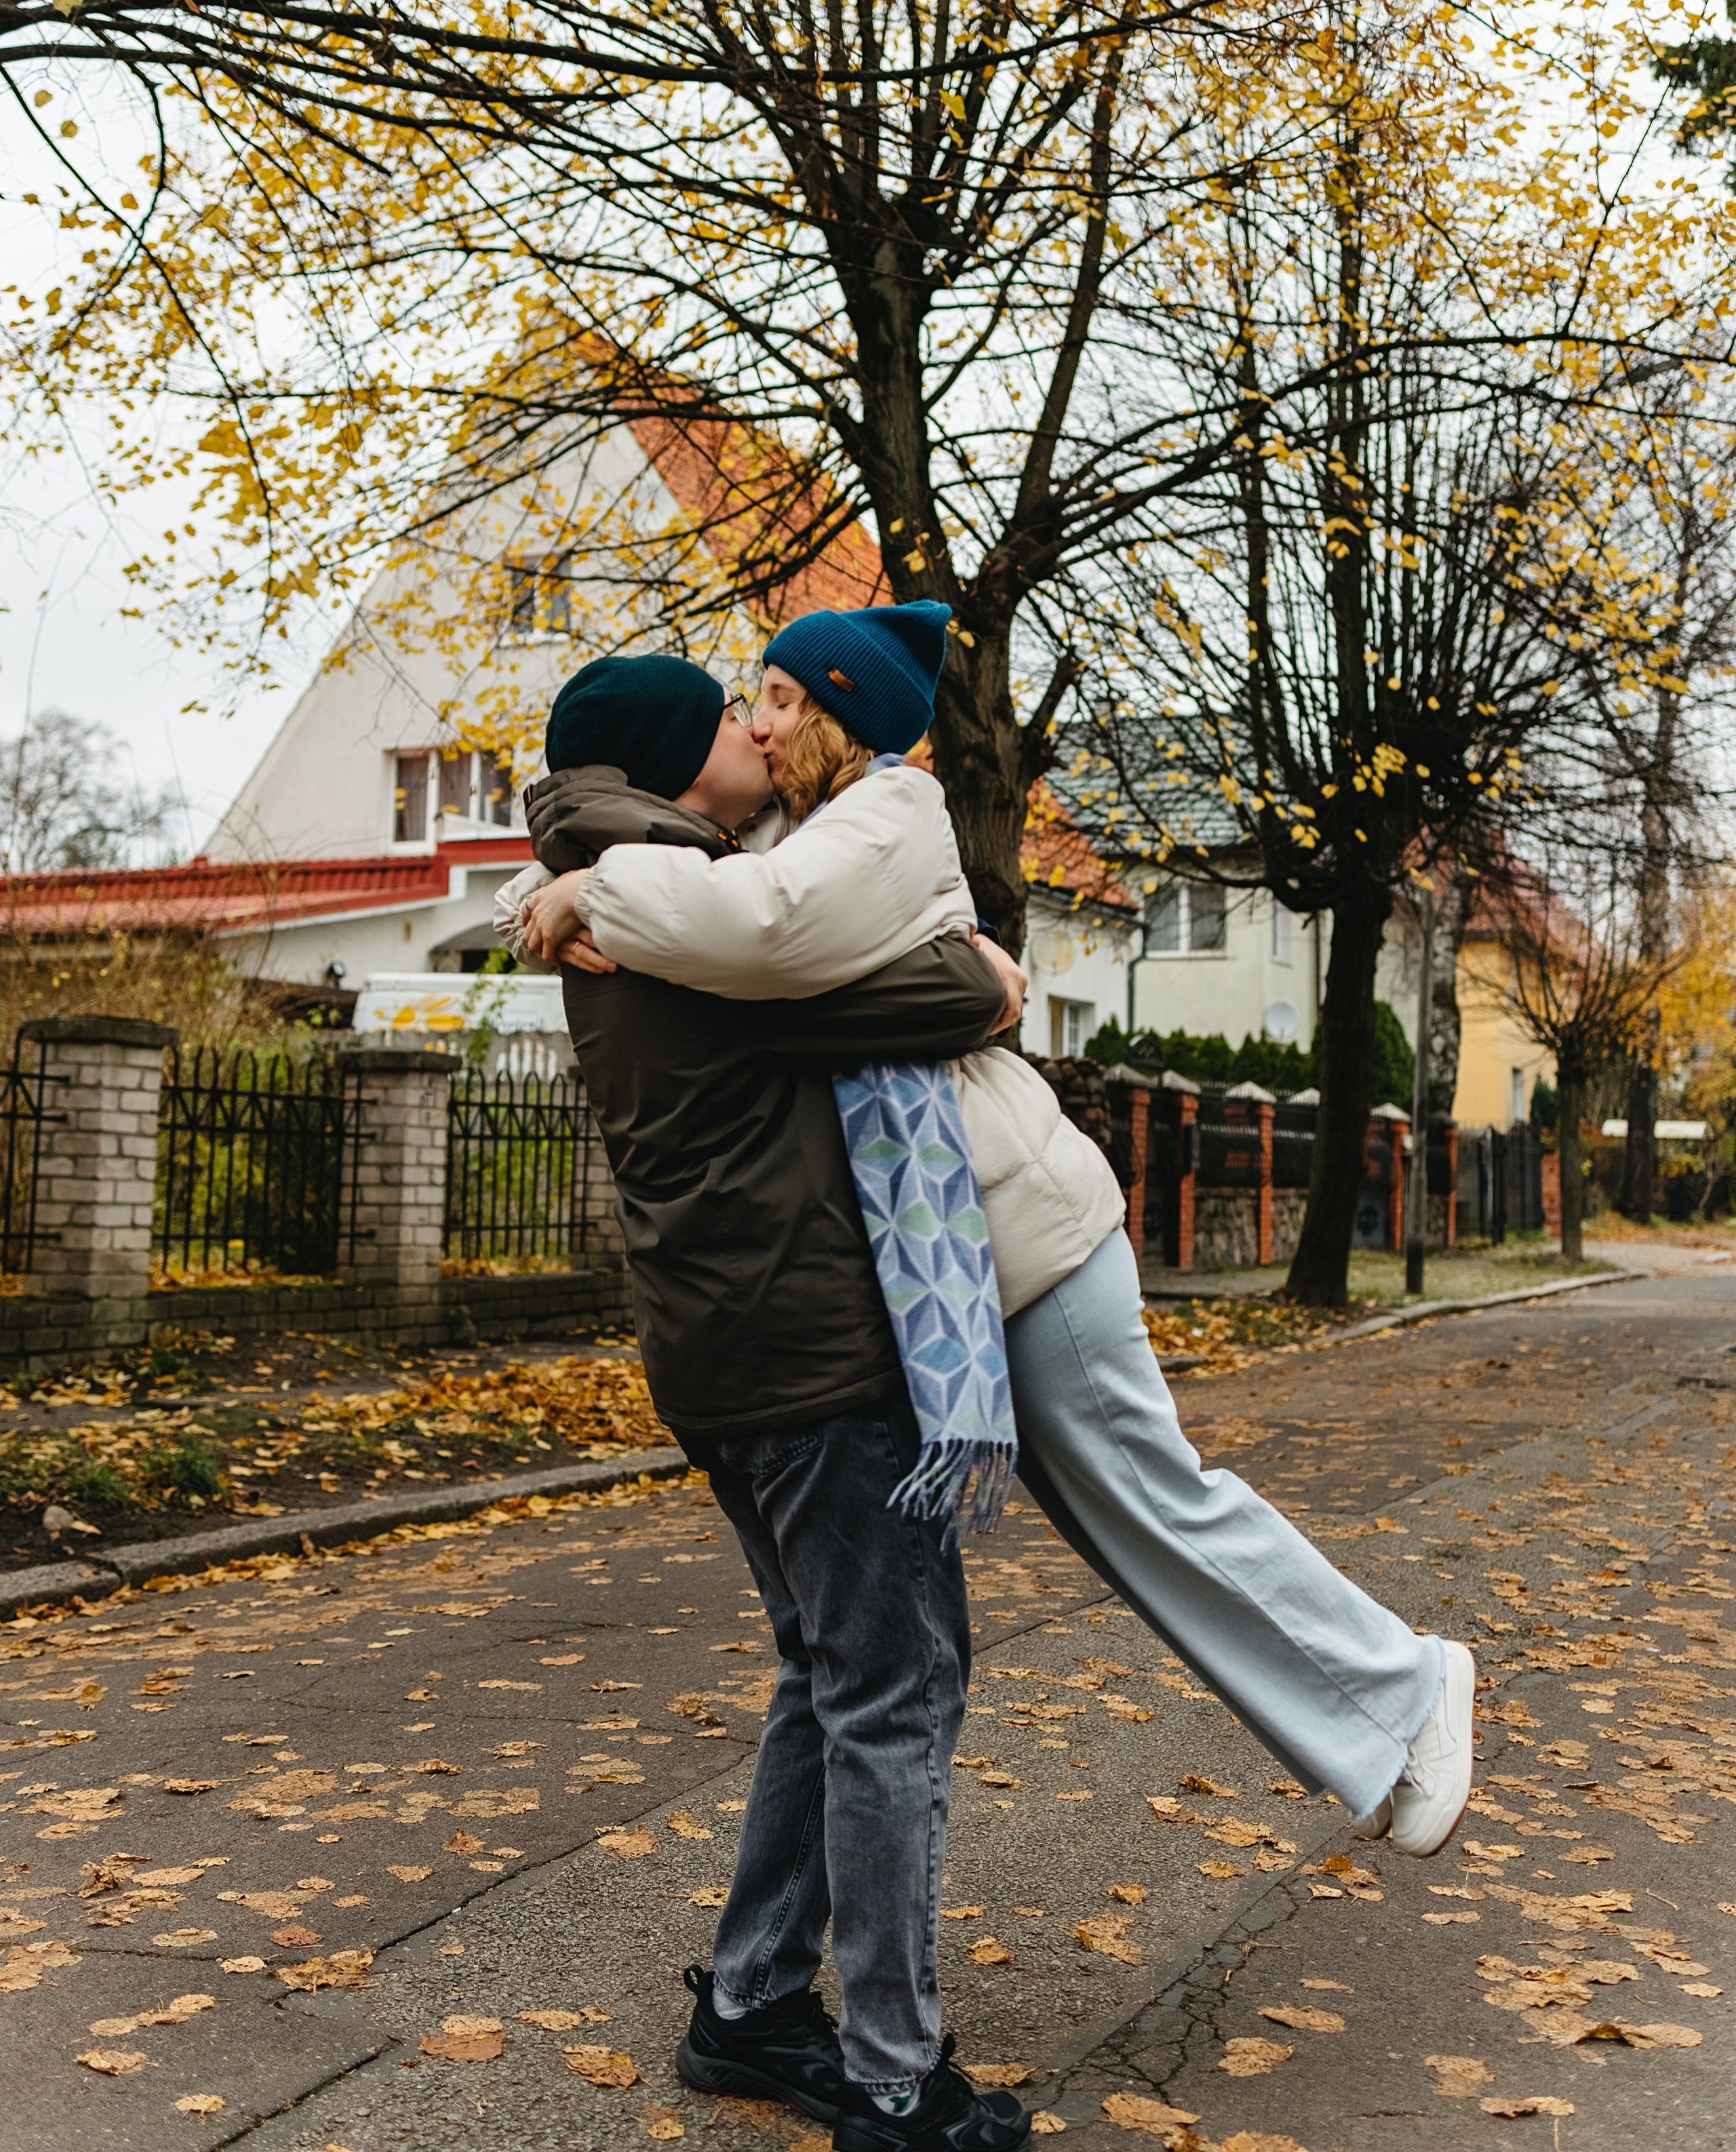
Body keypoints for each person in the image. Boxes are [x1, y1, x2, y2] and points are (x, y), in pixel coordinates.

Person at [511, 607, 1476, 1868]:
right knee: (1130, 1528)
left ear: (844, 717)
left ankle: (1408, 1687)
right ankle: (1385, 1714)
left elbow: (766, 937)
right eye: (748, 702)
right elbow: (735, 913)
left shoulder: (887, 811)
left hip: (1029, 1228)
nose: (759, 719)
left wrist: (585, 887)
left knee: (1151, 1503)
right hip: (964, 1259)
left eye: (785, 701)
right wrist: (549, 883)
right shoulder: (770, 834)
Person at [505, 653, 1035, 2152]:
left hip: (727, 1352)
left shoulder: (630, 883)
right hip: (809, 1353)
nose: (758, 722)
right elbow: (923, 991)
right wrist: (987, 971)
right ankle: (887, 2071)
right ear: (678, 755)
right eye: (728, 714)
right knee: (893, 1691)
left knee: (827, 1671)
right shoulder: (676, 908)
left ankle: (747, 2004)